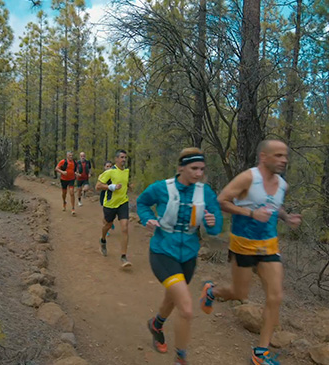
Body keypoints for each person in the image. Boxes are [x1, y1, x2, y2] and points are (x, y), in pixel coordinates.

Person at [199, 140, 302, 365]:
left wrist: (286, 217)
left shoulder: (282, 185)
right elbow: (222, 201)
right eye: (278, 155)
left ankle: (260, 353)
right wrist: (250, 214)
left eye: (285, 155)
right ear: (263, 157)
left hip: (269, 245)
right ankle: (211, 291)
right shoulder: (248, 178)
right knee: (239, 293)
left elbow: (275, 206)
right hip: (243, 243)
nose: (284, 159)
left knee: (275, 297)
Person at [137, 148, 223, 365]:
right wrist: (146, 218)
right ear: (181, 168)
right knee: (185, 307)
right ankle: (181, 358)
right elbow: (142, 203)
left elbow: (216, 226)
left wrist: (213, 225)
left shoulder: (206, 192)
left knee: (173, 297)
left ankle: (156, 324)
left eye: (202, 169)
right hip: (163, 251)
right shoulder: (161, 188)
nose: (198, 174)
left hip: (189, 256)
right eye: (194, 168)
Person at [95, 149, 132, 267]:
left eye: (125, 157)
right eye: (121, 157)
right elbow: (97, 186)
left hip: (123, 202)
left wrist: (129, 187)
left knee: (125, 228)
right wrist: (111, 187)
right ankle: (103, 239)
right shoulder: (110, 172)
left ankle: (123, 257)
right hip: (110, 204)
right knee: (108, 225)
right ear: (116, 159)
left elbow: (125, 185)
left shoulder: (126, 171)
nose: (124, 160)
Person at [55, 151, 77, 215]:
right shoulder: (63, 161)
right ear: (67, 156)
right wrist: (62, 172)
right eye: (69, 155)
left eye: (72, 155)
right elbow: (56, 168)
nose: (71, 157)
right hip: (64, 179)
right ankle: (64, 202)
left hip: (71, 179)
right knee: (64, 193)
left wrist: (77, 174)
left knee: (72, 192)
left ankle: (73, 208)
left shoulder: (74, 163)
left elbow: (75, 170)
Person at [99, 160, 115, 234]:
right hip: (104, 195)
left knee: (113, 212)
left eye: (110, 166)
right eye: (107, 166)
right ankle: (106, 227)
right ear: (104, 167)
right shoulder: (102, 176)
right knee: (105, 213)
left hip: (113, 195)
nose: (109, 168)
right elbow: (98, 186)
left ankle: (110, 223)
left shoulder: (115, 175)